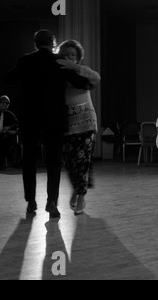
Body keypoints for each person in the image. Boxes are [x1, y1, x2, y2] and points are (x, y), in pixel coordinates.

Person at [4, 29, 92, 218]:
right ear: (53, 44)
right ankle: (52, 202)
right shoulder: (58, 62)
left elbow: (8, 79)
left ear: (36, 43)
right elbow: (81, 83)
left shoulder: (24, 60)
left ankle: (31, 202)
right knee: (53, 162)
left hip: (30, 118)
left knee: (28, 160)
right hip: (54, 119)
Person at [56, 39, 100, 215]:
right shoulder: (58, 75)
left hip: (87, 123)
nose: (69, 58)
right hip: (67, 125)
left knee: (82, 162)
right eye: (65, 55)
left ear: (78, 57)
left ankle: (81, 196)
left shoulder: (83, 73)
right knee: (70, 163)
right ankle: (77, 188)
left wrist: (74, 67)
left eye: (72, 55)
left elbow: (97, 78)